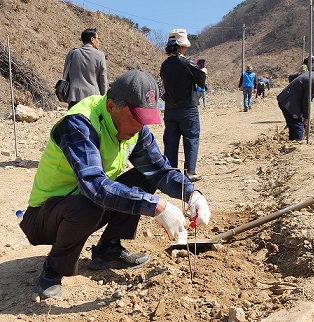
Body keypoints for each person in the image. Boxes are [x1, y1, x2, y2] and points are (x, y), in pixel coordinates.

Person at [19, 69, 212, 300]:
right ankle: (53, 269)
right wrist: (157, 206)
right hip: (45, 217)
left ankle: (108, 250)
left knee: (144, 175)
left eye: (145, 120)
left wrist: (191, 193)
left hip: (86, 204)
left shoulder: (135, 131)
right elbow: (94, 186)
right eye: (136, 118)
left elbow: (159, 170)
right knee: (91, 203)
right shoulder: (79, 123)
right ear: (111, 106)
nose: (140, 127)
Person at [160, 29, 207, 182]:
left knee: (171, 140)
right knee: (191, 137)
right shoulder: (187, 62)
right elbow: (201, 81)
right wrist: (204, 71)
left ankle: (171, 172)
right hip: (188, 108)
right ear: (181, 46)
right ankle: (190, 172)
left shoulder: (165, 64)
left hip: (170, 108)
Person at [277, 70, 314, 141]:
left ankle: (292, 143)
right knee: (299, 125)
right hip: (289, 102)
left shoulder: (311, 73)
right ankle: (297, 145)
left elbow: (292, 77)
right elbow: (306, 101)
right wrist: (306, 118)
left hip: (284, 98)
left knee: (293, 125)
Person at [62, 28, 108, 109]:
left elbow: (65, 75)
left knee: (73, 120)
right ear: (92, 39)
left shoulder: (72, 53)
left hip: (74, 96)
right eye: (98, 39)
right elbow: (103, 79)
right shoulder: (100, 55)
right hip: (92, 98)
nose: (99, 42)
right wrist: (103, 97)